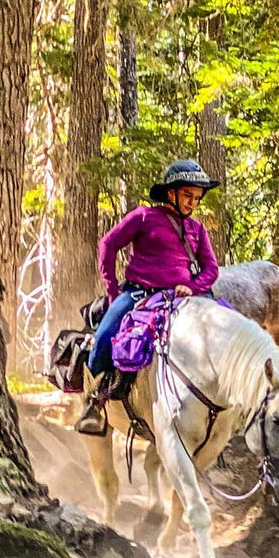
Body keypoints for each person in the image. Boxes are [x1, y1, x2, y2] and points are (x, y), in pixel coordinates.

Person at [76, 160, 221, 434]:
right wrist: (112, 291)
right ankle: (93, 403)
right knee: (107, 333)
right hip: (139, 294)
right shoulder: (143, 216)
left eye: (197, 198)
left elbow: (211, 268)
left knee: (220, 331)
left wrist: (193, 286)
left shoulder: (197, 230)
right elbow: (108, 244)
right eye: (188, 196)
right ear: (171, 193)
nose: (193, 203)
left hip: (181, 297)